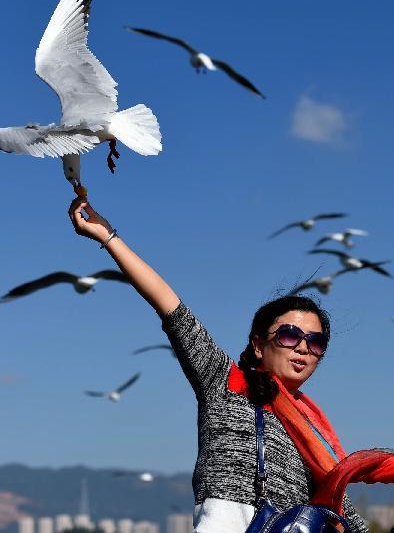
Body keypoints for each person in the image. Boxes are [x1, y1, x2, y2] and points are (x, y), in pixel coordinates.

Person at [68, 198, 369, 533]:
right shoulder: (223, 380)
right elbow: (171, 308)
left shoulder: (313, 429)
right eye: (289, 335)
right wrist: (108, 237)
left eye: (315, 342)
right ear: (258, 344)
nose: (302, 347)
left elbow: (343, 510)